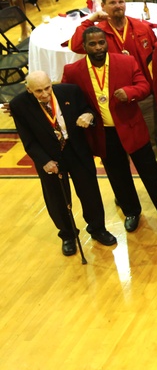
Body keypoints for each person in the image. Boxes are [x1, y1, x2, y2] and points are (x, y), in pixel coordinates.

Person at [62, 28, 157, 232]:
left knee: (150, 170)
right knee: (118, 176)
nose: (98, 47)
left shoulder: (126, 62)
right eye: (93, 44)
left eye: (101, 42)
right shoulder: (73, 71)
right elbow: (66, 99)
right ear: (84, 46)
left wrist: (130, 92)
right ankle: (132, 211)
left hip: (131, 126)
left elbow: (144, 85)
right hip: (103, 133)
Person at [10, 72, 117, 255]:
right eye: (38, 91)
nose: (44, 94)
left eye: (47, 88)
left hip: (76, 150)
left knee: (89, 191)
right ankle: (68, 235)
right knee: (57, 198)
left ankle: (98, 228)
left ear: (51, 83)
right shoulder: (19, 105)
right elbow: (27, 139)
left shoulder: (70, 92)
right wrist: (44, 160)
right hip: (49, 157)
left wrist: (88, 116)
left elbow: (89, 111)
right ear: (28, 89)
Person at [70, 0, 157, 157]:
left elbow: (156, 62)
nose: (118, 6)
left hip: (144, 98)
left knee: (152, 143)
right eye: (112, 3)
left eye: (121, 1)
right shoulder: (98, 34)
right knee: (120, 149)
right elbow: (76, 45)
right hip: (115, 103)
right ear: (103, 6)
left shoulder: (141, 27)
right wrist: (90, 20)